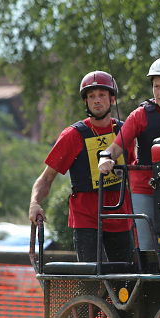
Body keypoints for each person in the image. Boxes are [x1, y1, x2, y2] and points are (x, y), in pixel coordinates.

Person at [29, 71, 134, 263]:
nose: (96, 100)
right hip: (86, 219)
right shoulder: (72, 135)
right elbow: (46, 178)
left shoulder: (125, 131)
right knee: (90, 279)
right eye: (91, 96)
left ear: (112, 99)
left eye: (102, 95)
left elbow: (139, 173)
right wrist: (34, 203)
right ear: (86, 102)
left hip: (121, 217)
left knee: (125, 278)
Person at [98, 56, 160, 250]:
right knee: (147, 246)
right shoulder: (140, 114)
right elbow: (115, 147)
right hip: (145, 187)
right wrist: (105, 158)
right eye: (156, 87)